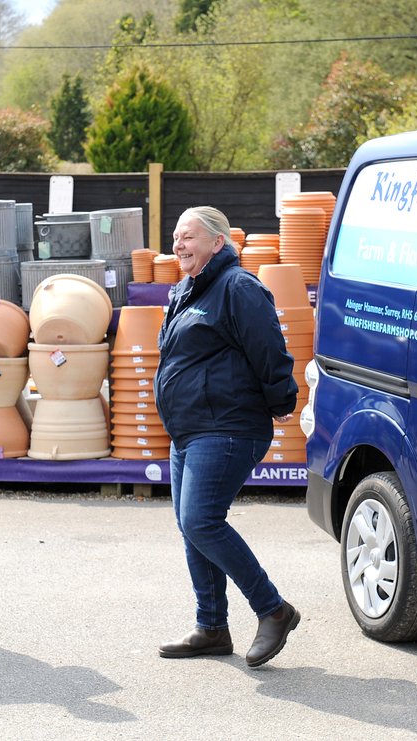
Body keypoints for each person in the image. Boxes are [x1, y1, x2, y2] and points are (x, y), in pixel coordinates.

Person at [154, 206, 301, 668]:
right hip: (190, 430)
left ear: (218, 242)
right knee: (190, 526)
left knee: (201, 521)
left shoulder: (239, 287)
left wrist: (281, 402)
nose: (179, 245)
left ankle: (273, 609)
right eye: (175, 237)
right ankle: (211, 627)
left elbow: (270, 349)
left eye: (189, 237)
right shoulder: (187, 290)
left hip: (228, 426)